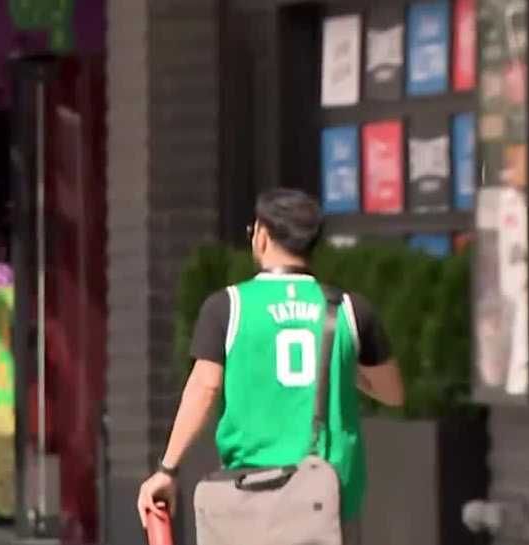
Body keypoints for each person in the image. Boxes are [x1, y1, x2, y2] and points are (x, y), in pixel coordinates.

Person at [136, 188, 405, 543]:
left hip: (248, 503)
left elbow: (204, 388)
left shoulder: (227, 307)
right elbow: (393, 393)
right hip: (327, 505)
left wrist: (167, 470)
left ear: (261, 236)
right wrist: (337, 369)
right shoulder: (350, 310)